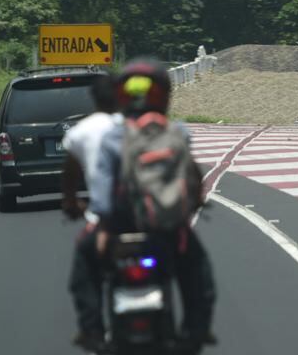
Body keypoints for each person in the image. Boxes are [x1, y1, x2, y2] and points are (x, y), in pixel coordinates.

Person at [87, 59, 217, 351]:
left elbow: (102, 190)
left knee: (86, 263)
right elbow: (191, 176)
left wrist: (103, 227)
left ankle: (91, 330)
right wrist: (196, 203)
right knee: (198, 272)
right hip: (166, 229)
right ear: (164, 95)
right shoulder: (177, 132)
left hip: (120, 231)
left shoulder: (112, 136)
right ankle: (196, 331)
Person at [61, 73, 121, 351]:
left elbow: (70, 175)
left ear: (94, 99)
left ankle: (91, 329)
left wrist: (71, 204)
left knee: (83, 274)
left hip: (105, 224)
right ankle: (196, 323)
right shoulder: (137, 125)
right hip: (148, 220)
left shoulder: (82, 130)